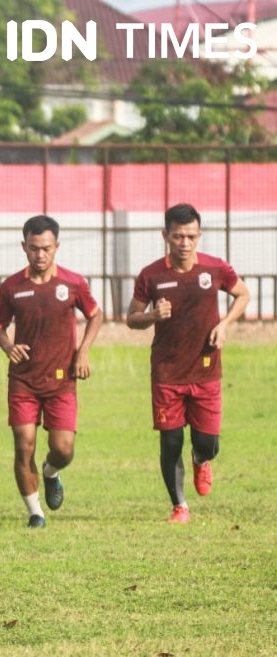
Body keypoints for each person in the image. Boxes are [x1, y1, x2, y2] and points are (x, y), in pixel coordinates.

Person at [126, 203, 249, 524]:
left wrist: (224, 325)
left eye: (191, 236)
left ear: (200, 235)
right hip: (166, 372)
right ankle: (179, 506)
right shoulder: (151, 275)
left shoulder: (215, 269)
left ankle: (200, 459)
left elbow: (244, 295)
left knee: (207, 444)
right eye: (178, 236)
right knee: (170, 440)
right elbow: (132, 318)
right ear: (165, 236)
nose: (185, 243)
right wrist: (152, 315)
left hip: (206, 370)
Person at [0, 215, 102, 529]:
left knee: (63, 449)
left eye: (46, 249)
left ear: (57, 247)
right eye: (34, 248)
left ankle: (51, 473)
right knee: (23, 442)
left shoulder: (73, 283)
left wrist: (83, 351)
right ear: (24, 246)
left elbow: (96, 316)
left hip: (61, 382)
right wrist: (8, 346)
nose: (40, 255)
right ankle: (35, 512)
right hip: (23, 381)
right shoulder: (12, 287)